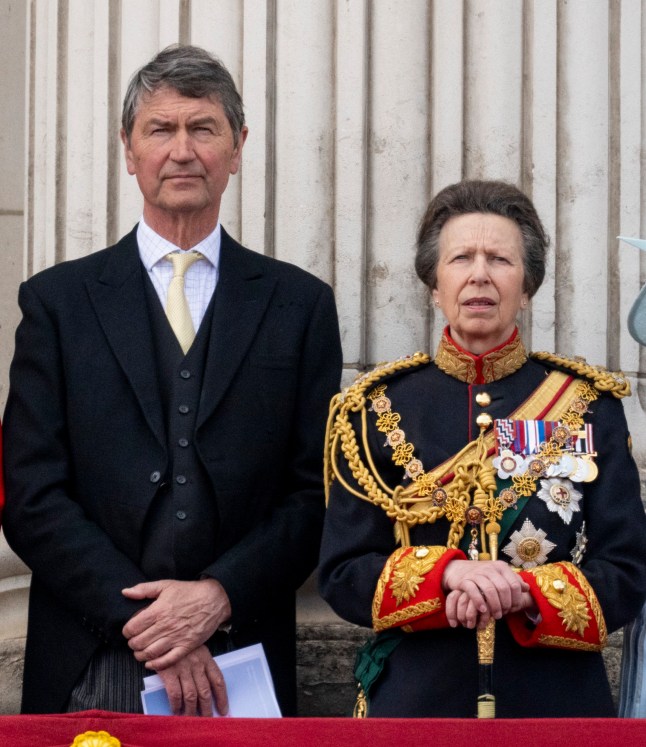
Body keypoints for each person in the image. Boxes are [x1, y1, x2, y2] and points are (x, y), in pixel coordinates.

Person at [3, 44, 342, 717]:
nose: (182, 150)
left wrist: (217, 596)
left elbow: (315, 491)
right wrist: (151, 623)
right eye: (160, 129)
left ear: (238, 147)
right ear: (129, 149)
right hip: (90, 658)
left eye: (203, 128)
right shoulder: (57, 303)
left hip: (243, 656)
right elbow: (30, 493)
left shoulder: (299, 305)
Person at [319, 179, 646, 718]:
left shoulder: (589, 405)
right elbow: (343, 573)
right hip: (418, 703)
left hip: (555, 705)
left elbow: (628, 572)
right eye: (460, 258)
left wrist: (523, 593)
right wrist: (447, 574)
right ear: (434, 282)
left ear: (528, 284)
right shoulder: (374, 408)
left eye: (500, 259)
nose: (479, 274)